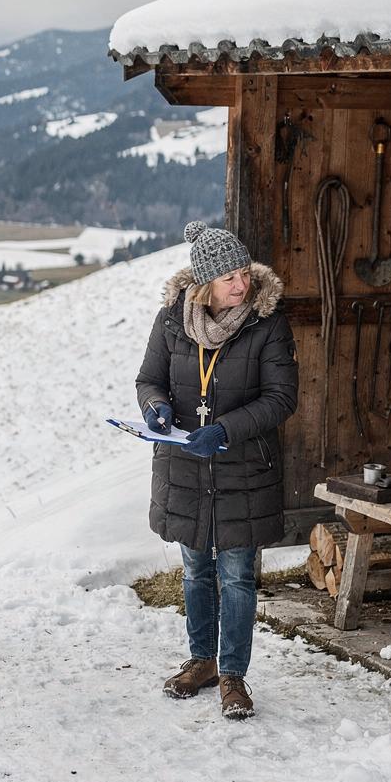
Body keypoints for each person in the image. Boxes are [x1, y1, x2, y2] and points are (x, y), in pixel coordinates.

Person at [136, 221, 298, 719]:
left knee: (237, 576)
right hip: (185, 467)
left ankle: (232, 676)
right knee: (195, 570)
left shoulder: (267, 324)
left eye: (244, 273)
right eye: (230, 277)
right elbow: (148, 380)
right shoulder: (172, 319)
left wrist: (225, 430)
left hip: (243, 471)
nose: (242, 284)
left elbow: (281, 398)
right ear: (205, 283)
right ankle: (202, 662)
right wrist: (156, 408)